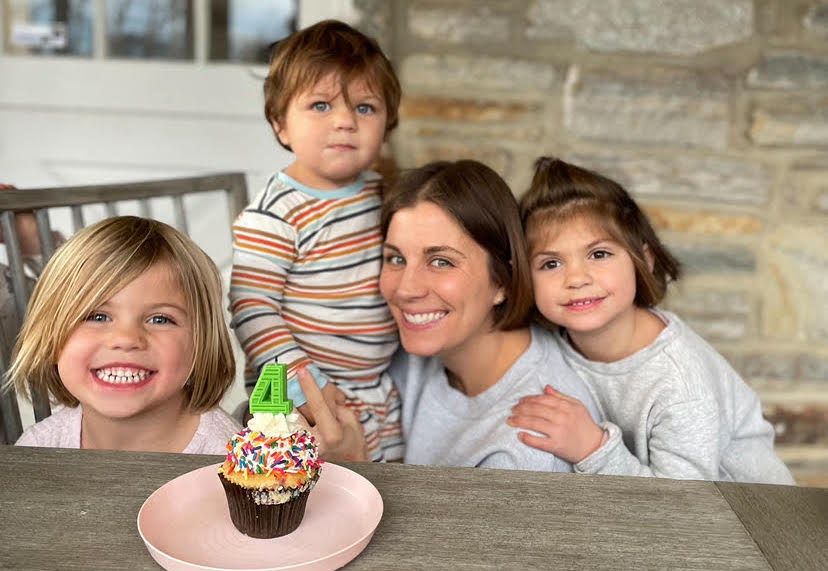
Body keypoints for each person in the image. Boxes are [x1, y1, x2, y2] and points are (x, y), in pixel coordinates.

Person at [509, 157, 794, 484]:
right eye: (550, 264)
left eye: (599, 254)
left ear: (642, 259)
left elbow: (681, 506)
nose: (576, 278)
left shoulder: (680, 382)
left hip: (742, 518)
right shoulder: (544, 343)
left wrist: (593, 448)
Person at [229, 20, 402, 462]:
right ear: (281, 124)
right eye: (321, 105)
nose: (345, 121)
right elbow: (252, 307)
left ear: (387, 123)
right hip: (293, 395)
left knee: (379, 493)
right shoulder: (276, 212)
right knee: (294, 494)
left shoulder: (382, 193)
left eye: (365, 108)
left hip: (372, 389)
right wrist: (300, 380)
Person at [379, 160, 602, 470]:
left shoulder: (529, 450)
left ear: (502, 281)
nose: (406, 289)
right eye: (395, 258)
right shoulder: (407, 354)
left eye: (441, 262)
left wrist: (357, 464)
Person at [7, 216, 240, 453]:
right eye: (97, 317)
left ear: (202, 345)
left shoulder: (232, 460)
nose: (126, 339)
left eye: (160, 319)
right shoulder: (38, 448)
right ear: (51, 339)